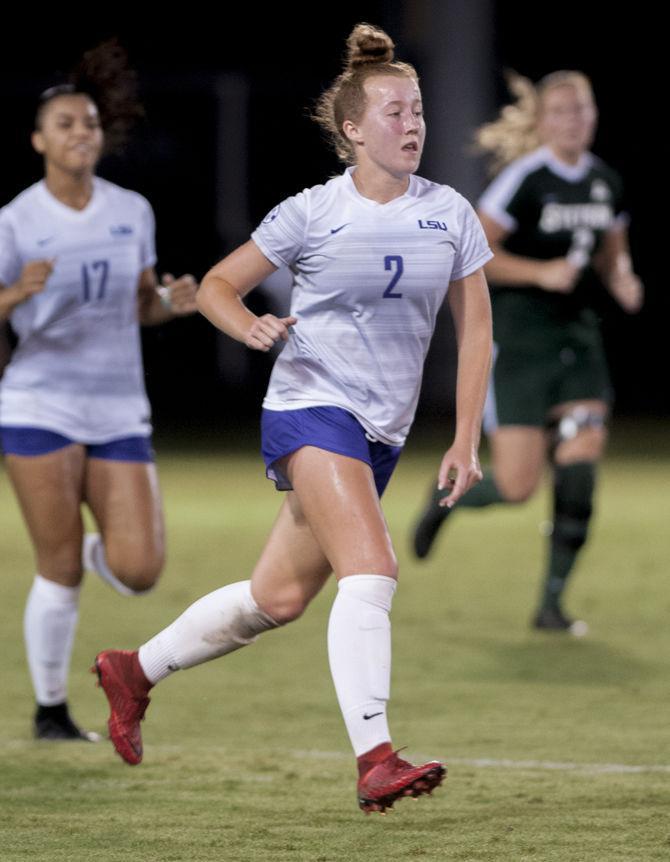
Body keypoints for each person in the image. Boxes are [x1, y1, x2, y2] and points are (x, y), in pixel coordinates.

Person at [94, 23, 493, 814]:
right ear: (352, 129)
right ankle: (375, 758)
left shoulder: (450, 213)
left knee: (275, 599)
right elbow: (215, 285)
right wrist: (250, 329)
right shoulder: (312, 212)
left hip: (379, 431)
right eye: (393, 111)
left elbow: (476, 328)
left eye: (417, 110)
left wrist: (466, 435)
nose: (412, 123)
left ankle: (132, 670)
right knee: (373, 572)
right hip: (312, 409)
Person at [0, 40, 198, 742]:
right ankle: (51, 709)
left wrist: (172, 303)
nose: (80, 133)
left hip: (118, 404)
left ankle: (89, 544)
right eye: (65, 124)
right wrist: (11, 294)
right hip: (39, 401)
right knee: (57, 567)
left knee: (140, 570)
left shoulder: (131, 210)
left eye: (88, 122)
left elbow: (141, 305)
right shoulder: (16, 219)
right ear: (38, 140)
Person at [412, 71, 643, 635]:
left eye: (582, 111)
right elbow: (477, 252)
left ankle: (551, 606)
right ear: (542, 122)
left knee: (581, 469)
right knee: (517, 486)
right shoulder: (525, 178)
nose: (574, 121)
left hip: (578, 341)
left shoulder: (604, 181)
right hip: (520, 342)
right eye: (562, 111)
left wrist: (624, 280)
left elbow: (614, 253)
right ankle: (444, 502)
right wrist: (541, 272)